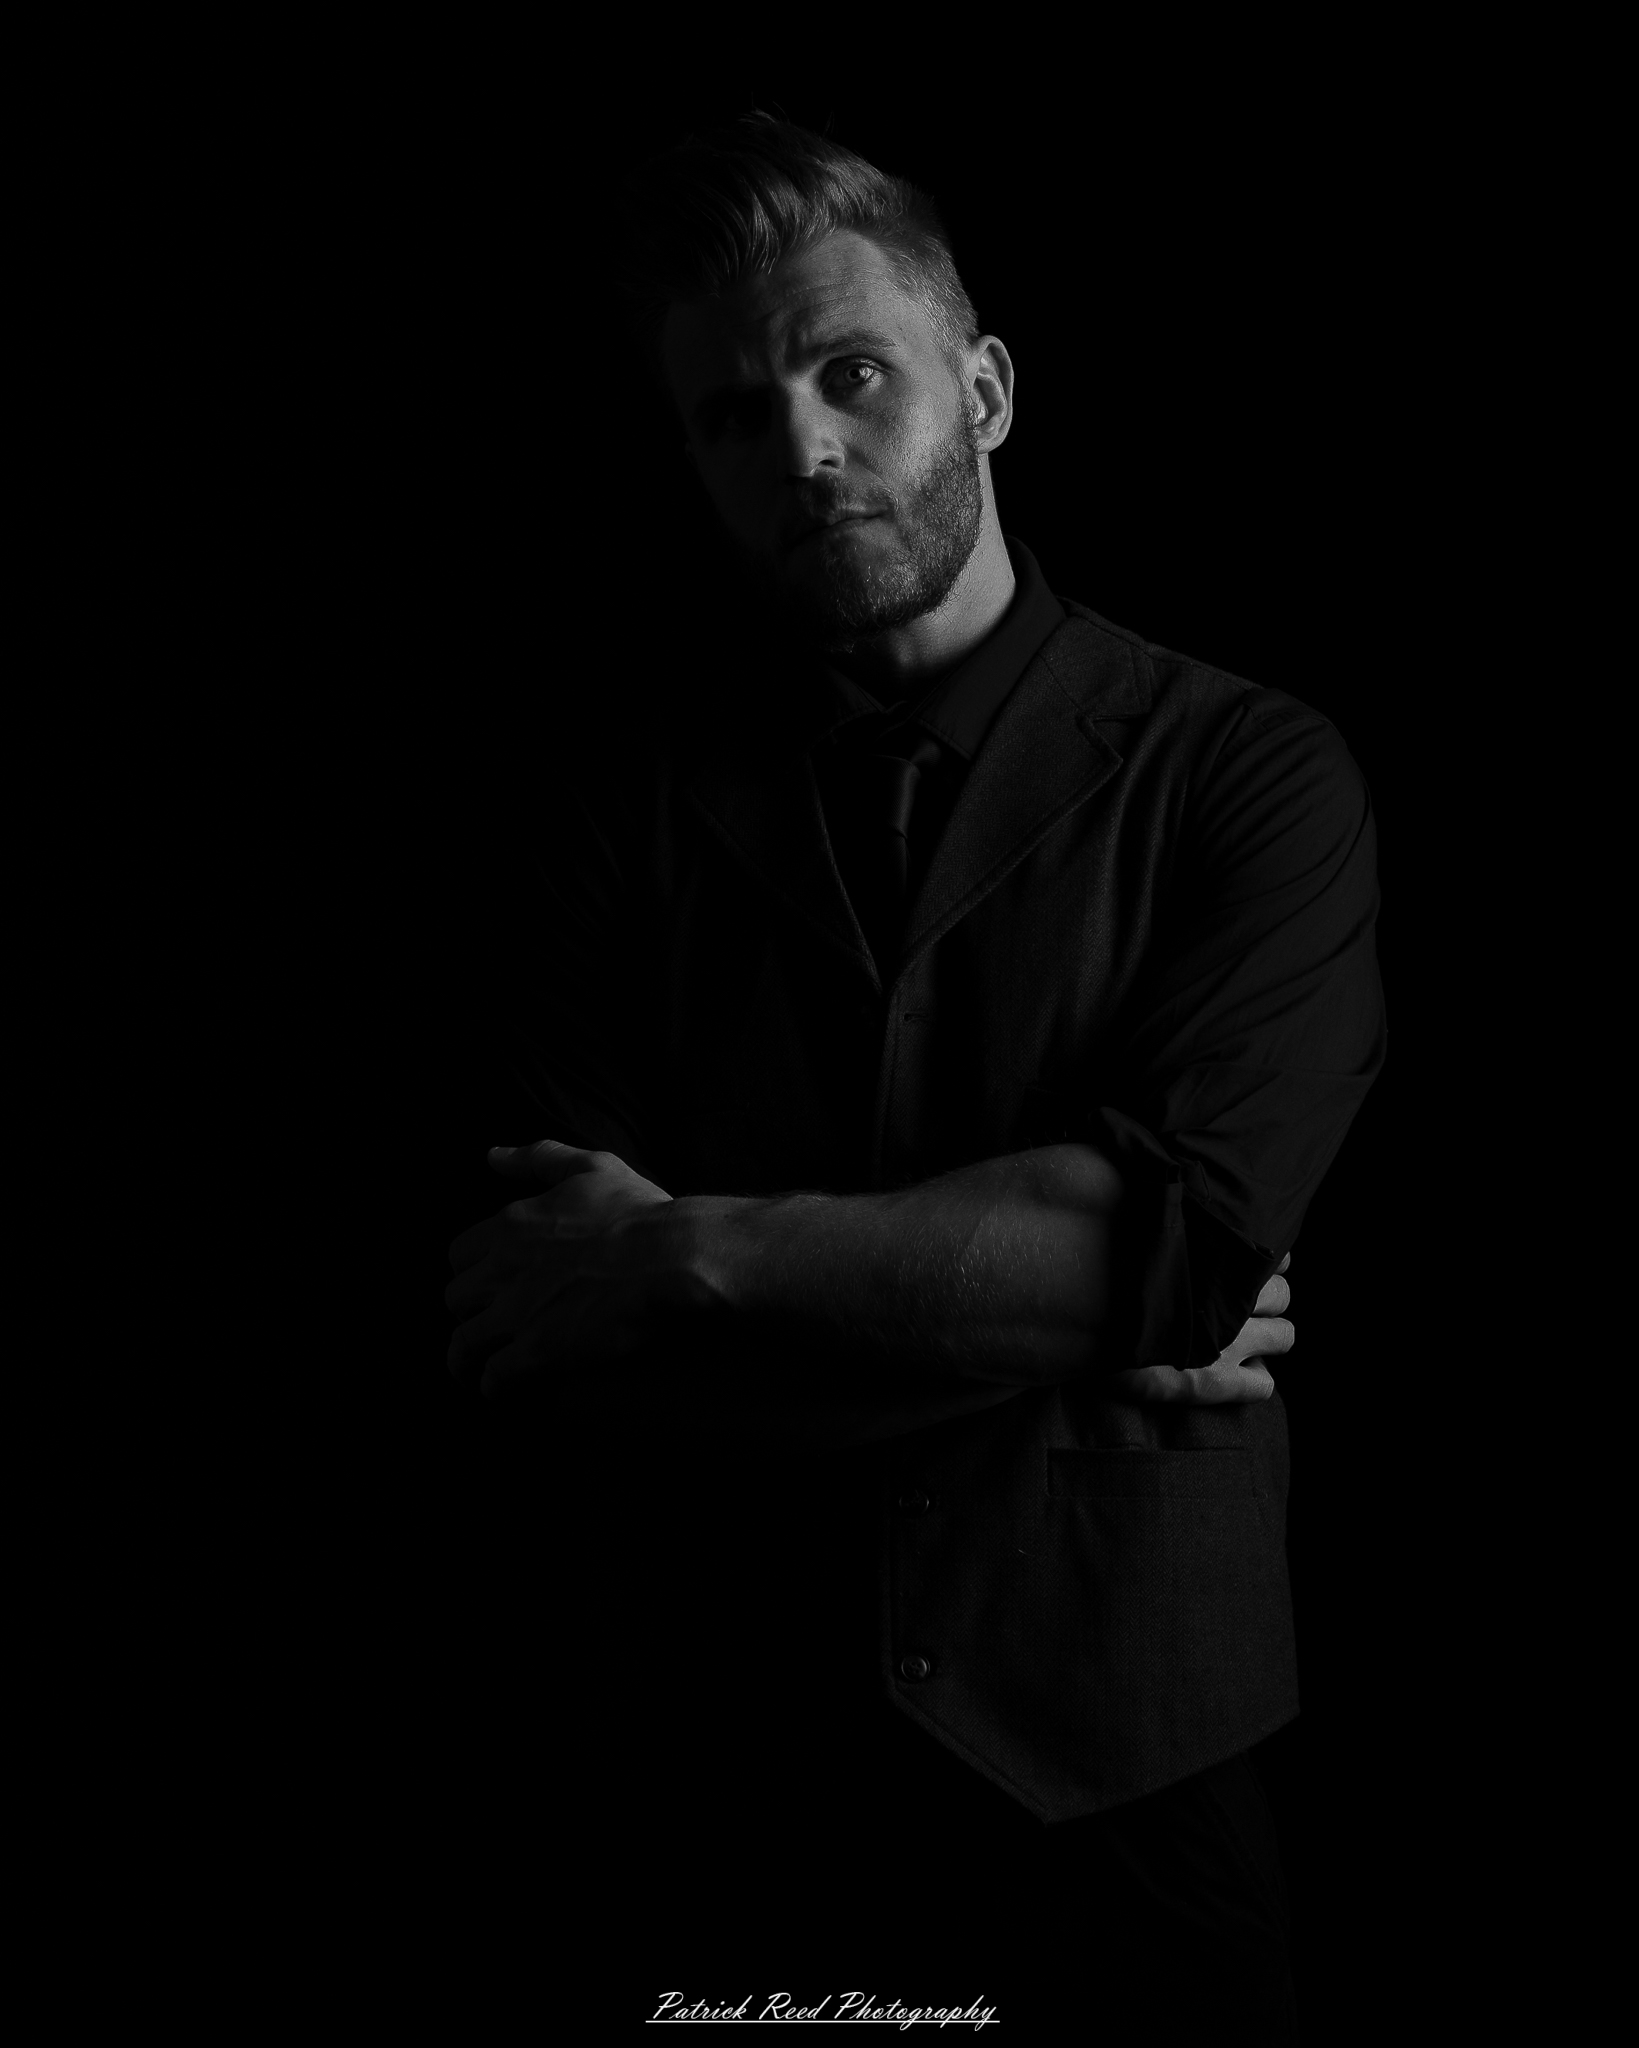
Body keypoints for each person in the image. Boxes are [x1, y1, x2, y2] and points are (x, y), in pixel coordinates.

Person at [444, 114, 1384, 2036]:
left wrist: (682, 1254)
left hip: (1134, 1815)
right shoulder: (607, 819)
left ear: (987, 386)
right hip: (713, 1809)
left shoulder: (1246, 775)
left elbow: (1143, 1249)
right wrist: (1078, 1311)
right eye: (731, 416)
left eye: (848, 372)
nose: (799, 447)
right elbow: (546, 1334)